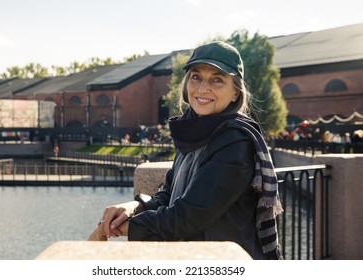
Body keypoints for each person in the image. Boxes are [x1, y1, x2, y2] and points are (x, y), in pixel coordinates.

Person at [87, 41, 283, 260]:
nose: (202, 88)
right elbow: (168, 194)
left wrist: (117, 229)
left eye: (217, 80)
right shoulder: (193, 132)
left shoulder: (235, 142)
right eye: (196, 76)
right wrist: (132, 206)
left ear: (235, 93)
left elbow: (188, 218)